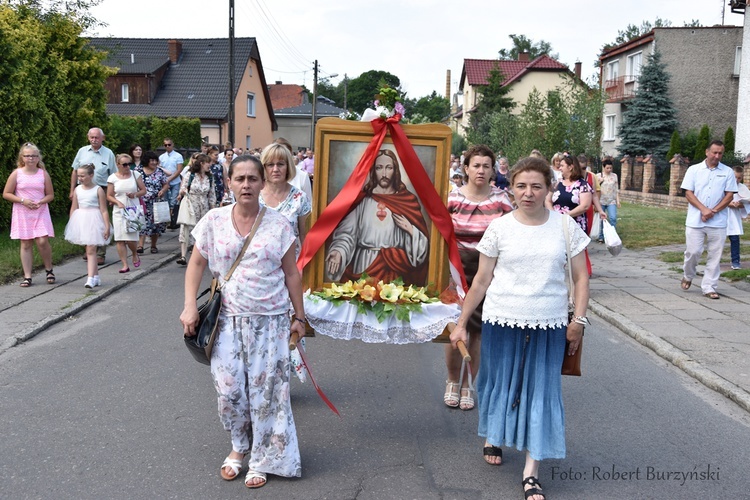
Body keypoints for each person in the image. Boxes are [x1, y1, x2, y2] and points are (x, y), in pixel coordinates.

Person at [450, 156, 590, 500]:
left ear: (549, 189)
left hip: (550, 324)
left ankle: (531, 472)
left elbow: (581, 277)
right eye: (521, 186)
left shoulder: (565, 227)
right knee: (498, 383)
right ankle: (495, 434)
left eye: (536, 186)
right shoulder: (500, 227)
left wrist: (578, 322)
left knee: (541, 392)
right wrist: (461, 323)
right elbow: (481, 280)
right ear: (511, 188)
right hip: (501, 319)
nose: (528, 193)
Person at [180, 154, 305, 489]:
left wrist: (299, 317)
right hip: (226, 320)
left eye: (253, 179)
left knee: (267, 393)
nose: (247, 185)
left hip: (270, 321)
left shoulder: (279, 224)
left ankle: (264, 457)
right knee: (229, 390)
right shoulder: (213, 220)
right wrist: (189, 306)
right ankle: (239, 446)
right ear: (230, 182)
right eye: (240, 179)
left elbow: (292, 273)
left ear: (263, 183)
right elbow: (195, 265)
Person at [443, 145, 512, 411]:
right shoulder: (452, 198)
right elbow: (440, 233)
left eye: (486, 165)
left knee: (478, 331)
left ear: (492, 170)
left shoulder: (502, 200)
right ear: (466, 168)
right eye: (476, 165)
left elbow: (512, 234)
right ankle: (451, 380)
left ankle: (468, 384)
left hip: (488, 273)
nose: (481, 170)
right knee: (454, 326)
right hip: (456, 271)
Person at [325, 149, 429, 285]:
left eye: (389, 168)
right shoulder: (362, 200)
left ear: (395, 170)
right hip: (363, 265)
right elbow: (347, 234)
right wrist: (339, 251)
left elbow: (421, 249)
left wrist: (410, 229)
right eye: (379, 168)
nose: (384, 174)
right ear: (373, 171)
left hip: (393, 270)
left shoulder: (406, 201)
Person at [680, 140, 737, 299]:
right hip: (695, 220)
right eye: (714, 152)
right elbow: (688, 193)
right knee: (693, 251)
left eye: (720, 153)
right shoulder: (694, 170)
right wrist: (704, 210)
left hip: (717, 222)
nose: (717, 156)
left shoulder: (727, 172)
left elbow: (729, 195)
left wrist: (714, 211)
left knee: (715, 254)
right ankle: (688, 274)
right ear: (707, 152)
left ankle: (709, 286)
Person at [3, 143, 56, 287]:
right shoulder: (17, 173)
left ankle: (49, 269)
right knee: (26, 243)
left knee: (42, 241)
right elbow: (6, 193)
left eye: (33, 155)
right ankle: (27, 276)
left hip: (40, 210)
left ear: (38, 158)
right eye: (27, 156)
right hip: (22, 211)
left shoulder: (43, 173)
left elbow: (50, 195)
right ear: (22, 158)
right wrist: (23, 200)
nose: (31, 158)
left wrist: (41, 201)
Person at [70, 127, 117, 265]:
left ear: (103, 138)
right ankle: (88, 247)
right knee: (84, 219)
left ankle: (100, 252)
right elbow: (74, 171)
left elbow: (113, 176)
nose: (94, 140)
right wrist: (72, 190)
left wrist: (111, 194)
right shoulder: (82, 151)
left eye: (97, 137)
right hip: (83, 190)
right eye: (92, 137)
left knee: (100, 220)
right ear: (88, 137)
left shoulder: (108, 153)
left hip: (101, 188)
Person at [259, 143, 311, 258]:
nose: (275, 169)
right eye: (270, 165)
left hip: (291, 267)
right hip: (259, 269)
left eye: (280, 164)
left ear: (288, 167)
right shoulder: (254, 195)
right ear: (263, 167)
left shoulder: (300, 198)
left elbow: (305, 237)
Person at [64, 163, 111, 287]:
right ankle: (96, 276)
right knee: (89, 249)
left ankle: (90, 278)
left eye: (83, 176)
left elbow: (104, 210)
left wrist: (106, 226)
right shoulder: (77, 189)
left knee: (91, 249)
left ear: (91, 175)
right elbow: (74, 208)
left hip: (94, 220)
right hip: (82, 219)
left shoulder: (98, 190)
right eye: (78, 176)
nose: (80, 178)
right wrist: (72, 224)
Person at [548, 154, 594, 276]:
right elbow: (547, 199)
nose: (560, 168)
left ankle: (578, 286)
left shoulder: (582, 185)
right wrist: (553, 214)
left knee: (576, 258)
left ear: (571, 167)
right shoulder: (557, 183)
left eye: (562, 165)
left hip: (575, 224)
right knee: (556, 255)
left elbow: (585, 205)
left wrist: (566, 215)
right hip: (557, 224)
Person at [107, 153, 147, 273]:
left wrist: (135, 194)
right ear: (118, 165)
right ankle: (124, 264)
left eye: (129, 164)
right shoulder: (112, 178)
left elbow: (143, 190)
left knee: (130, 239)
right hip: (119, 210)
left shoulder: (135, 174)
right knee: (119, 239)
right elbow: (109, 195)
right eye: (124, 164)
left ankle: (134, 253)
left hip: (132, 210)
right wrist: (116, 202)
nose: (127, 167)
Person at [176, 153, 216, 265]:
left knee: (201, 230)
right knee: (186, 227)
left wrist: (213, 209)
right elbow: (182, 188)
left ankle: (197, 254)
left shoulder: (210, 177)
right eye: (208, 163)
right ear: (202, 163)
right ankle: (183, 256)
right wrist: (184, 192)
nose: (210, 165)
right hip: (191, 204)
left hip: (204, 206)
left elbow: (212, 194)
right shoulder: (190, 175)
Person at [135, 151, 169, 254]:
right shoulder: (138, 171)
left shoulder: (159, 172)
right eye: (152, 160)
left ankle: (153, 246)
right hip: (142, 201)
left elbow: (166, 184)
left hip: (156, 201)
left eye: (155, 160)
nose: (154, 162)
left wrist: (163, 190)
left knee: (156, 225)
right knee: (142, 223)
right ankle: (140, 246)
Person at [276, 138, 313, 203]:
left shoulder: (302, 176)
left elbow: (309, 204)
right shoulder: (264, 176)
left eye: (285, 153)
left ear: (290, 154)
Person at [159, 137, 184, 229]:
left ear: (172, 145)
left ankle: (172, 220)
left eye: (169, 145)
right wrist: (165, 181)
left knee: (173, 201)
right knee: (165, 201)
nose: (167, 146)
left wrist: (170, 179)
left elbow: (179, 169)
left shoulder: (178, 156)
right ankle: (166, 220)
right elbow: (160, 169)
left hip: (175, 181)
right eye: (165, 145)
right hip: (165, 182)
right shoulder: (161, 157)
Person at [727, 166, 748, 270]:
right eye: (735, 177)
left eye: (739, 178)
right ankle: (713, 261)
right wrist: (729, 203)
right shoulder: (724, 185)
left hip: (734, 217)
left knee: (735, 239)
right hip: (722, 215)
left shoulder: (743, 188)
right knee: (717, 240)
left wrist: (739, 204)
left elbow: (747, 204)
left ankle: (735, 261)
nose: (736, 180)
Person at [595, 158, 620, 243]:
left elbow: (616, 189)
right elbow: (594, 188)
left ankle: (612, 235)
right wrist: (599, 182)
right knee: (602, 219)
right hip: (601, 201)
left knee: (613, 218)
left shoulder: (614, 176)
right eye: (607, 168)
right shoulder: (598, 176)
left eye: (610, 168)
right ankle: (601, 236)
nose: (609, 170)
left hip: (611, 201)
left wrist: (618, 201)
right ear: (603, 167)